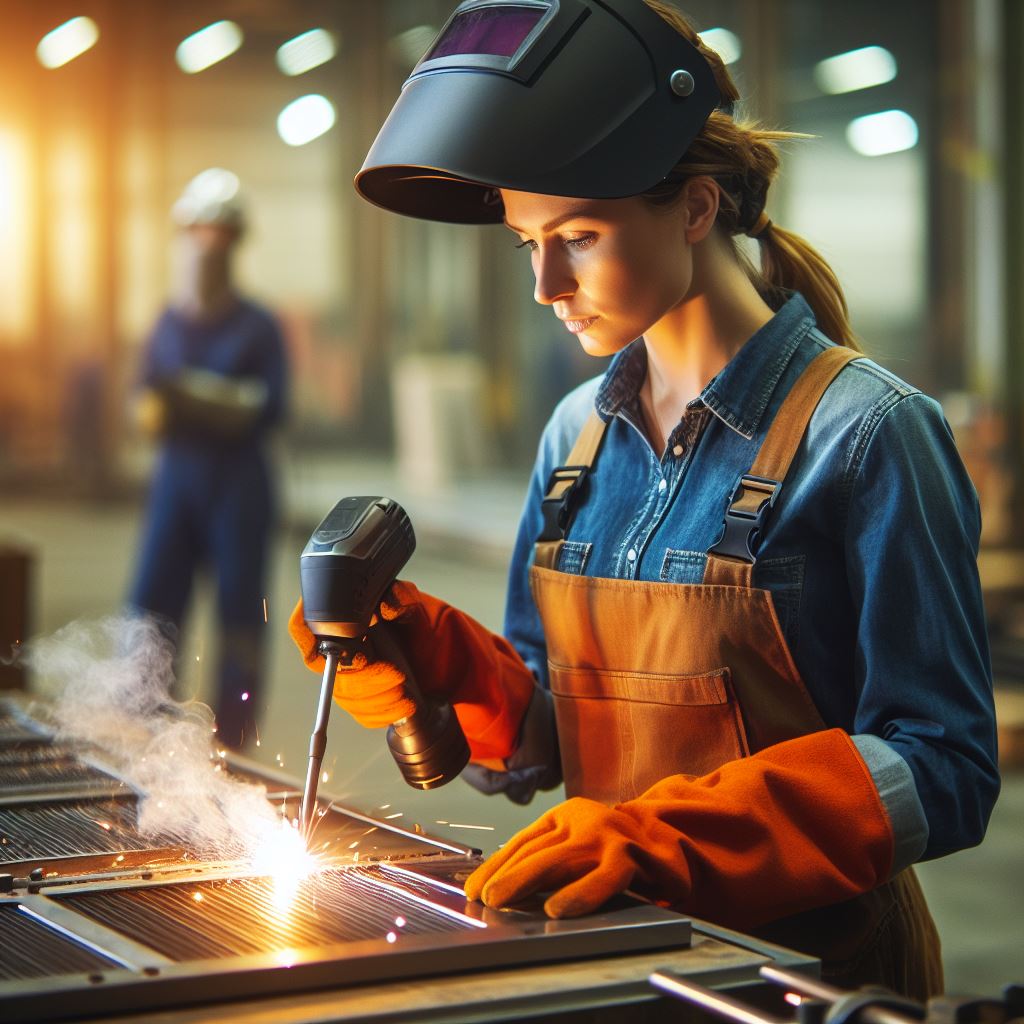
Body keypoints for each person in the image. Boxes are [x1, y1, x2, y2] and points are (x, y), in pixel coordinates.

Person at [288, 0, 998, 997]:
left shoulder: (866, 432)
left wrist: (667, 839)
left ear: (695, 209)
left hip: (813, 979)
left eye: (576, 235)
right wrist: (453, 669)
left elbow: (943, 766)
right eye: (525, 240)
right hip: (615, 966)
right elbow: (546, 739)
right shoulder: (575, 435)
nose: (544, 283)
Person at [129, 168, 287, 749]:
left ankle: (232, 746)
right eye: (199, 228)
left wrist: (190, 396)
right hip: (177, 481)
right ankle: (143, 736)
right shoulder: (168, 321)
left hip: (238, 487)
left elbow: (269, 407)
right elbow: (145, 402)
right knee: (150, 611)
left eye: (220, 230)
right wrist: (165, 404)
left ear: (236, 238)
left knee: (241, 617)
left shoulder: (258, 326)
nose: (208, 241)